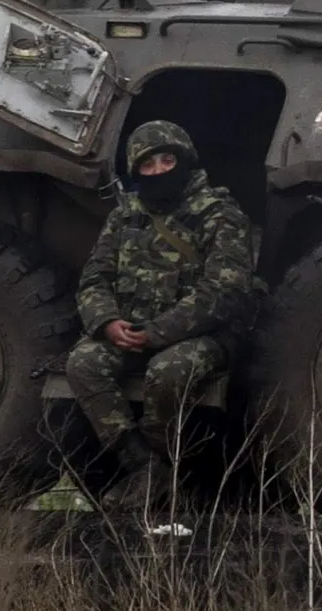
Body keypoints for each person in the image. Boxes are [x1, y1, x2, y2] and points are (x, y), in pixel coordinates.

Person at [68, 120, 265, 496]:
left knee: (167, 371)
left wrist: (159, 332)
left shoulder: (219, 214)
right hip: (133, 331)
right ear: (136, 170)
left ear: (184, 160)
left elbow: (225, 291)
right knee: (83, 363)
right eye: (148, 164)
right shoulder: (124, 217)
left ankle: (161, 465)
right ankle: (141, 465)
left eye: (166, 160)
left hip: (203, 336)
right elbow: (94, 279)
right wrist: (107, 322)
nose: (158, 170)